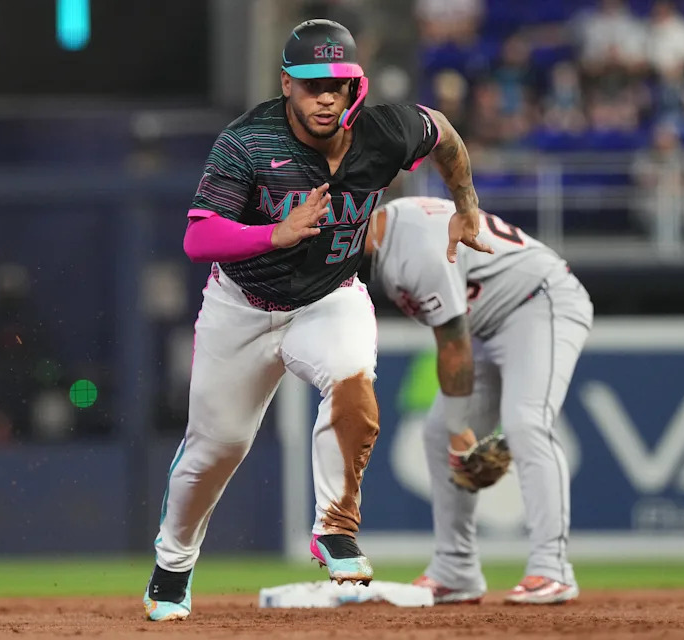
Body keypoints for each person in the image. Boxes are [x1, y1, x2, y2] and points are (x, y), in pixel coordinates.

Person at [143, 20, 492, 621]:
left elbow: (445, 135)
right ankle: (173, 567)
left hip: (329, 296)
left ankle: (334, 529)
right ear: (287, 85)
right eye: (310, 85)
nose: (324, 96)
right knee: (217, 447)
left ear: (354, 83)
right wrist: (271, 233)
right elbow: (198, 236)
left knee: (352, 380)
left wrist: (467, 204)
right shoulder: (248, 141)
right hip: (242, 306)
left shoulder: (386, 131)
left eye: (336, 83)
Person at [360, 196, 593, 605]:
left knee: (527, 424)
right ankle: (456, 569)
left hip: (540, 302)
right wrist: (451, 432)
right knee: (434, 434)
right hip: (486, 325)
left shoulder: (412, 252)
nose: (331, 240)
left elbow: (452, 346)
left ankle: (552, 568)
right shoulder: (390, 234)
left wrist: (460, 433)